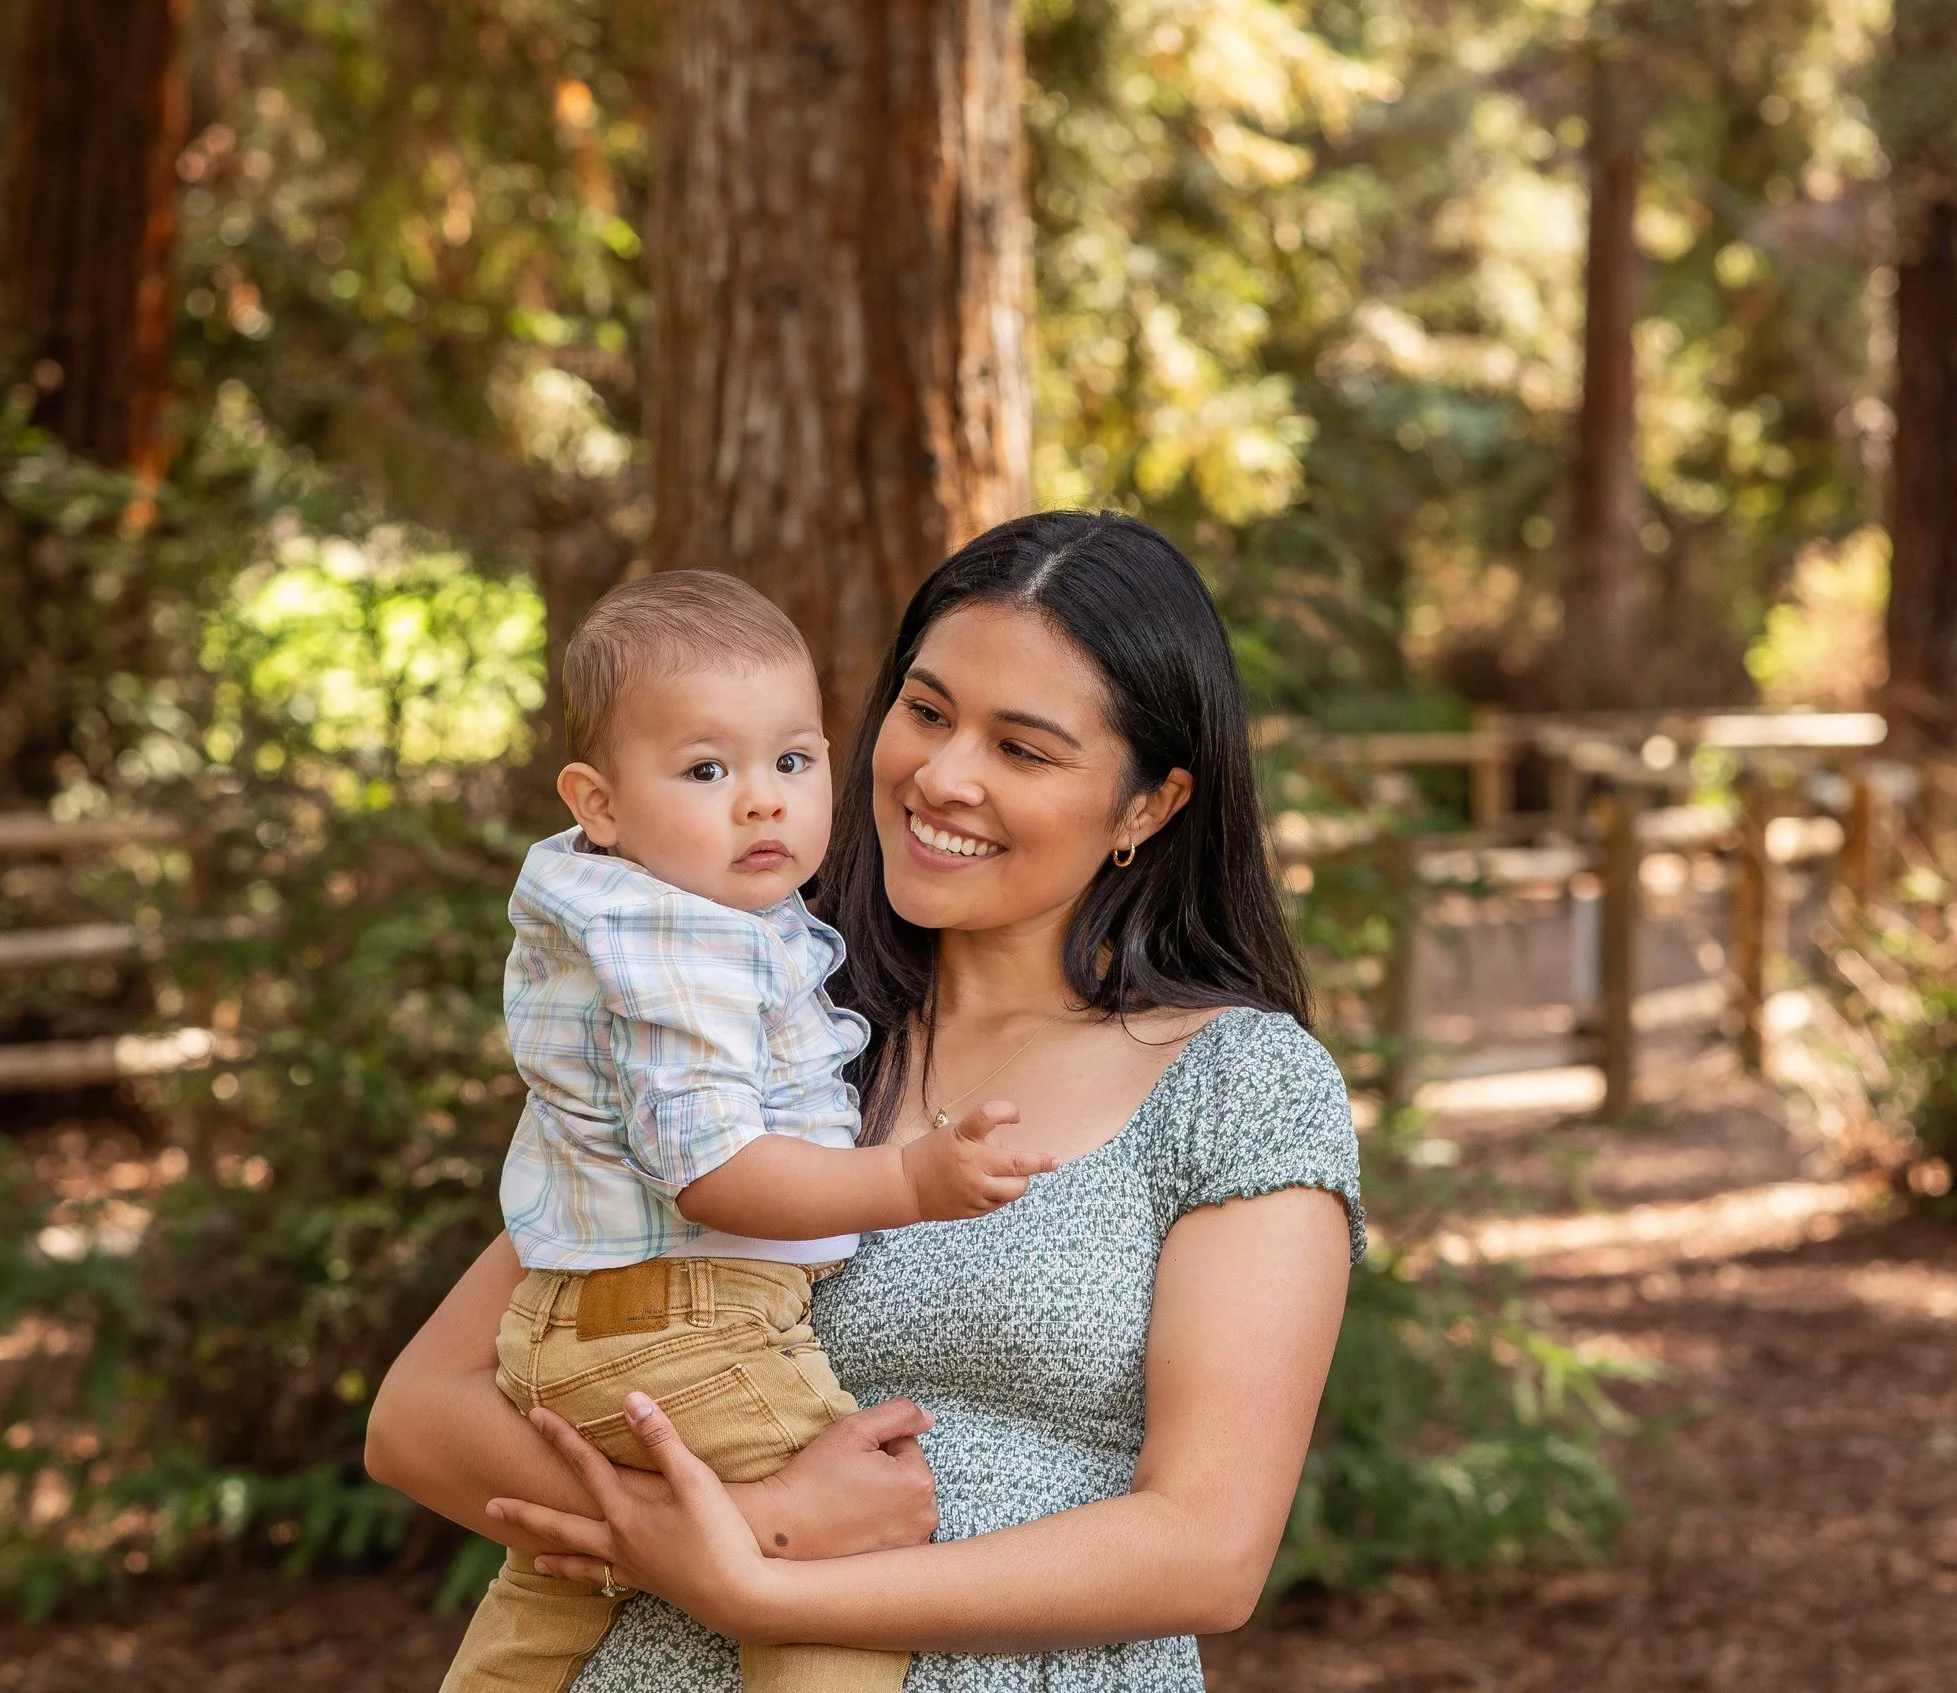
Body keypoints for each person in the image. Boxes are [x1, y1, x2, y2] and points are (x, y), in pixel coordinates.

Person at [370, 511, 1367, 1692]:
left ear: (1147, 807)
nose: (943, 776)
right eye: (926, 711)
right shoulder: (760, 1025)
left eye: (1024, 749)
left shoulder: (1240, 1086)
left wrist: (764, 1586)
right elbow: (422, 1416)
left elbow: (1206, 1550)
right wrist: (760, 1519)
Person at [444, 570, 1056, 1693]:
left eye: (791, 759)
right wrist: (912, 1178)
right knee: (849, 1576)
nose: (763, 800)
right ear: (599, 804)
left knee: (549, 1584)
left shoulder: (663, 917)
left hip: (588, 1317)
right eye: (706, 769)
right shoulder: (683, 952)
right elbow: (712, 1171)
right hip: (687, 1328)